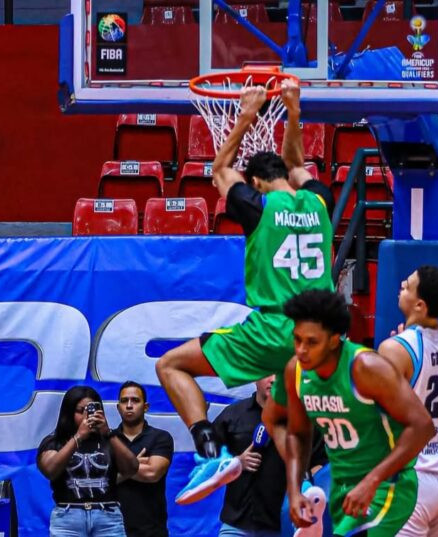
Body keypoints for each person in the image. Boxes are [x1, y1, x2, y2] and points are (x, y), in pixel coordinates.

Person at [155, 79, 335, 504]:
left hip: (275, 329)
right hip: (321, 337)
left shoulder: (257, 207)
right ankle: (307, 485)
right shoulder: (321, 199)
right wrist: (292, 111)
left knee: (170, 366)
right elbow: (297, 162)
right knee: (285, 411)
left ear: (255, 182)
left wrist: (246, 115)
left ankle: (209, 455)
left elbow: (220, 171)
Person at [283, 290, 435, 537]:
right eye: (297, 340)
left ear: (334, 340)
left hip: (388, 487)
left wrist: (371, 481)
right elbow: (297, 434)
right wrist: (294, 489)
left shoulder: (366, 368)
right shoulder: (296, 371)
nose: (301, 350)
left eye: (311, 342)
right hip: (343, 487)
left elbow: (423, 426)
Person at [376, 265, 438, 536]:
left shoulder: (394, 349)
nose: (401, 287)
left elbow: (377, 413)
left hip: (412, 476)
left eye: (406, 286)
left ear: (419, 304)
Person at [213, 374, 328, 537]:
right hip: (237, 526)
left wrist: (309, 486)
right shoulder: (232, 415)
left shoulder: (305, 420)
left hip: (285, 528)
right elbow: (208, 462)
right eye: (267, 373)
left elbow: (320, 463)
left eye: (279, 373)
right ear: (254, 377)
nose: (273, 379)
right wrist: (237, 462)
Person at [37, 385, 139, 537]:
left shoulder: (111, 439)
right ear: (69, 413)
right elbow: (50, 470)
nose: (87, 416)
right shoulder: (55, 442)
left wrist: (108, 433)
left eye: (92, 410)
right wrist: (78, 437)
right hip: (68, 517)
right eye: (80, 411)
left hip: (107, 516)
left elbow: (131, 469)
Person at [114, 381, 174, 537]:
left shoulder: (160, 438)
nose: (129, 405)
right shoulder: (108, 439)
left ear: (145, 406)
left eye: (135, 400)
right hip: (111, 528)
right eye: (124, 401)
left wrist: (116, 468)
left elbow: (152, 474)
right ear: (118, 407)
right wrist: (134, 464)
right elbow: (99, 479)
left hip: (152, 530)